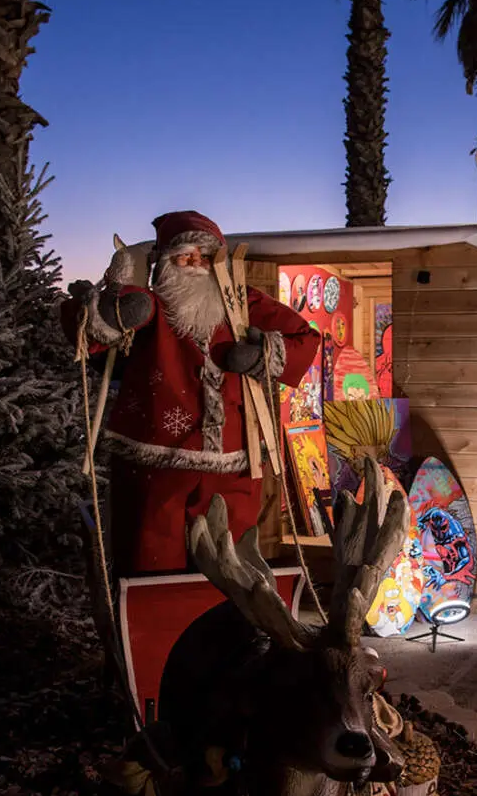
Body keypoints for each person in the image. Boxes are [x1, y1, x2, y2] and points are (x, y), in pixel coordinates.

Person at [69, 210, 321, 575]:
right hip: (156, 464)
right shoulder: (149, 305)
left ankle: (234, 627)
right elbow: (86, 330)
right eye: (185, 256)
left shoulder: (243, 303)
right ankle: (156, 628)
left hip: (234, 463)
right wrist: (108, 311)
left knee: (232, 561)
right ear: (165, 263)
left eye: (204, 257)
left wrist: (263, 354)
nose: (196, 264)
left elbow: (305, 338)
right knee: (152, 558)